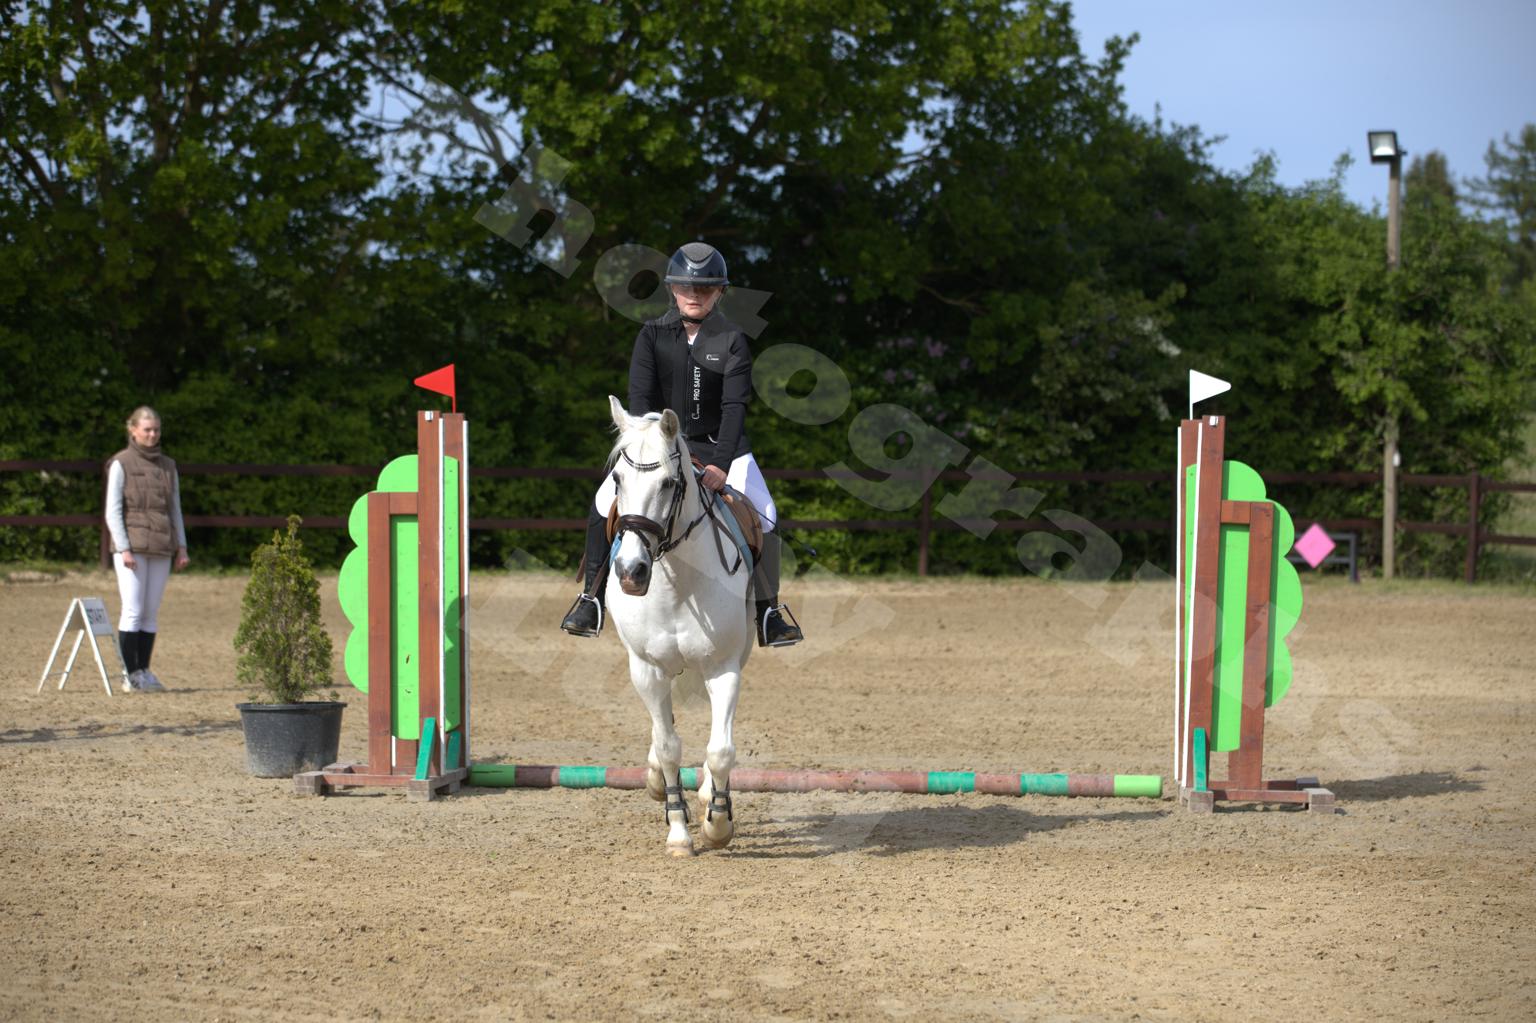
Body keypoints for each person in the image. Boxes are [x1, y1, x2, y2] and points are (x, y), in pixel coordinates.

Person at [561, 242, 803, 647]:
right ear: (672, 289)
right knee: (604, 503)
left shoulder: (731, 339)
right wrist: (660, 450)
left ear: (720, 292)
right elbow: (641, 403)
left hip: (723, 449)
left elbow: (734, 407)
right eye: (687, 287)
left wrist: (721, 464)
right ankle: (590, 599)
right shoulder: (652, 334)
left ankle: (768, 613)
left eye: (705, 288)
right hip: (661, 448)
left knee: (766, 513)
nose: (695, 294)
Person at [105, 406, 190, 692]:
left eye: (156, 430)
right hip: (132, 547)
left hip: (161, 546)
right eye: (147, 429)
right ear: (133, 430)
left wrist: (181, 546)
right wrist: (124, 548)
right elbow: (112, 511)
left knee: (150, 612)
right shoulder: (120, 463)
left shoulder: (168, 466)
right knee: (133, 609)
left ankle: (144, 669)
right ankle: (129, 674)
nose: (153, 434)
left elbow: (175, 509)